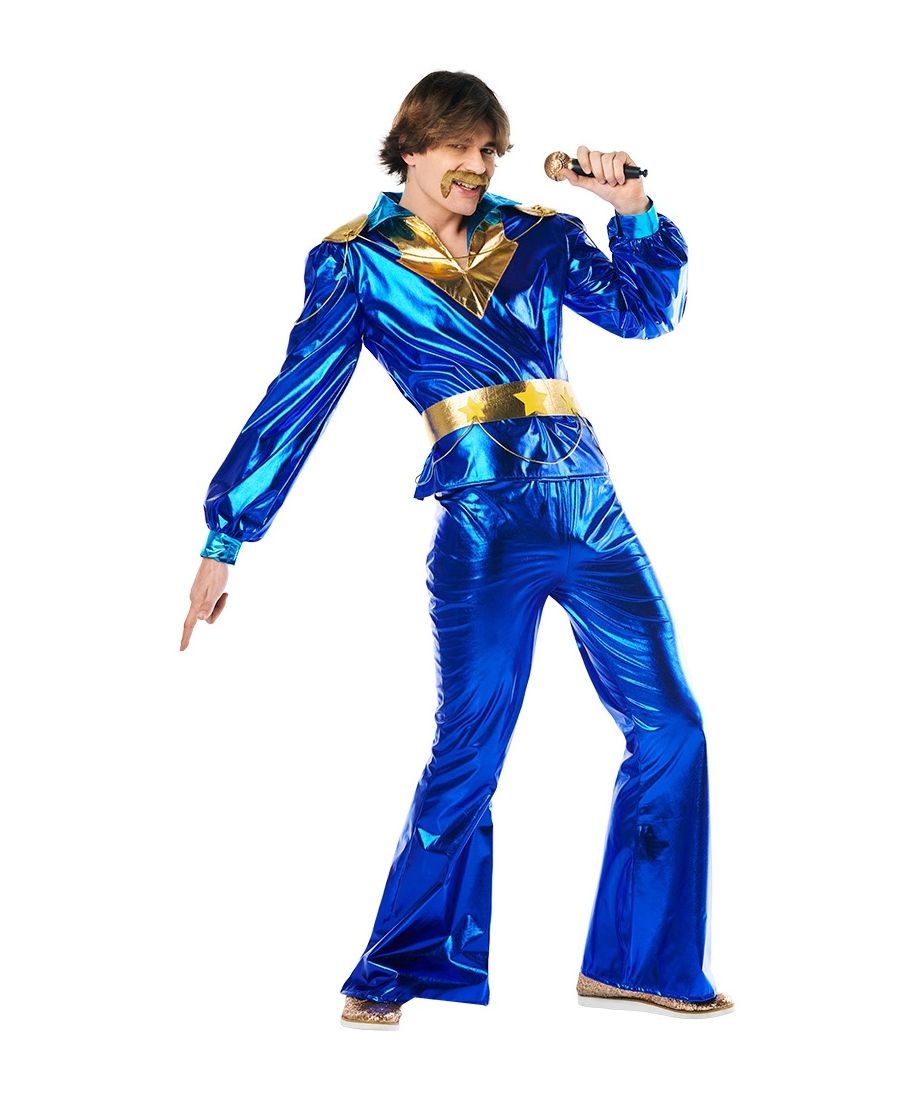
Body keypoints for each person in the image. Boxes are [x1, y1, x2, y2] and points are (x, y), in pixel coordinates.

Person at [181, 69, 734, 1029]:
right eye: (461, 147)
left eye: (490, 150)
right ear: (411, 149)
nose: (478, 165)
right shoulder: (355, 262)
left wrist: (631, 208)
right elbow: (297, 398)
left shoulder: (541, 234)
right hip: (483, 526)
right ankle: (393, 967)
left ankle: (640, 961)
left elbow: (647, 313)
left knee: (674, 730)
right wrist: (227, 535)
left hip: (591, 509)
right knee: (470, 751)